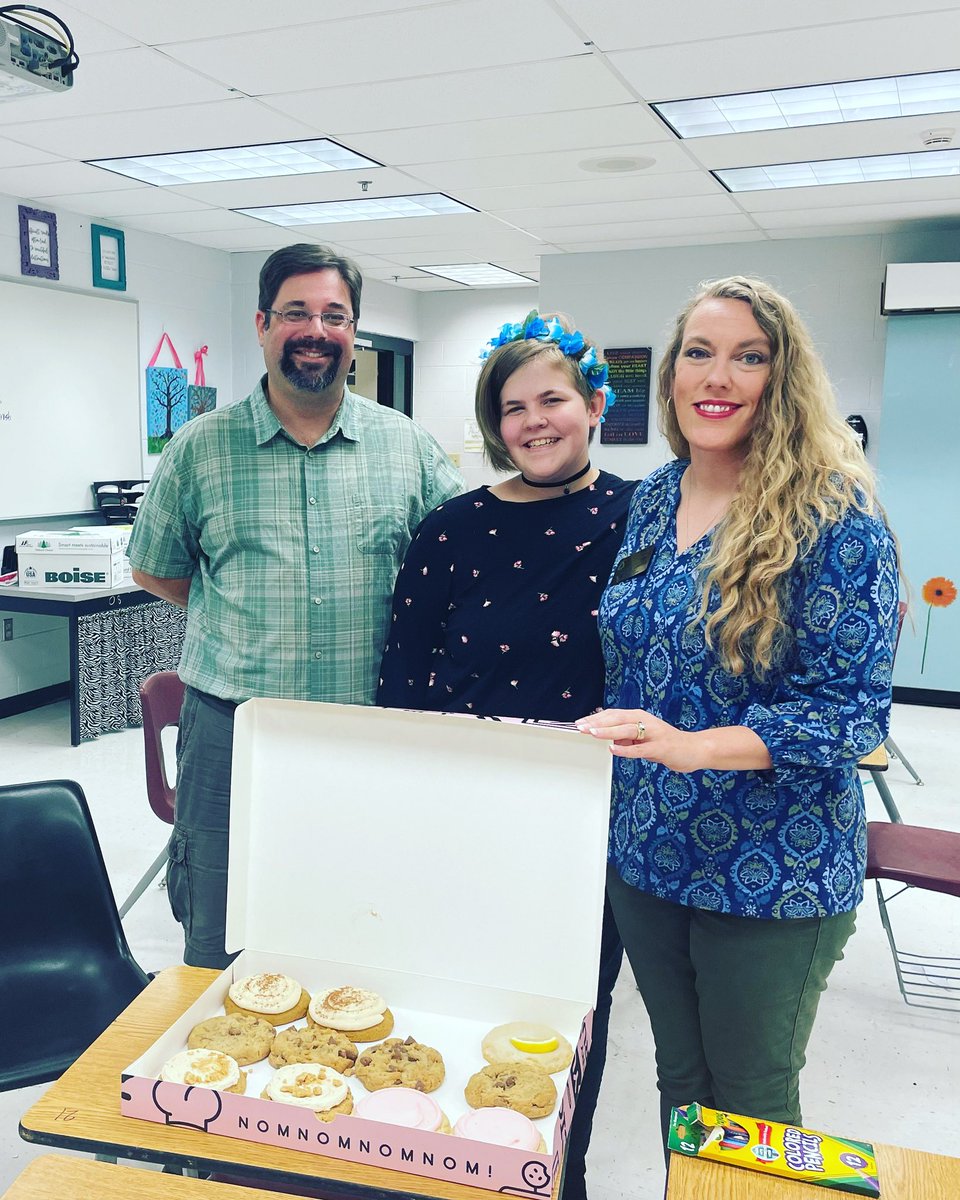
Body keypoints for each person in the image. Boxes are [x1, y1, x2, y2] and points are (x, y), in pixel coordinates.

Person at [578, 276, 899, 1151]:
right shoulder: (654, 496)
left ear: (781, 379)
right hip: (647, 852)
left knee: (751, 1103)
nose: (719, 378)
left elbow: (854, 714)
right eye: (700, 353)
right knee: (681, 1083)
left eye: (749, 357)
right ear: (671, 375)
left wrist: (695, 746)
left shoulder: (837, 516)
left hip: (774, 867)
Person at [128, 243, 463, 969]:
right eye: (296, 312)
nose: (316, 329)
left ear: (354, 332)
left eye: (334, 315)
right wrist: (243, 617)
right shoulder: (199, 449)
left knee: (364, 919)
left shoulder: (408, 448)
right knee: (219, 931)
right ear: (261, 324)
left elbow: (452, 579)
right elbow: (157, 570)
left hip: (370, 727)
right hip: (232, 727)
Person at [378, 310, 636, 1200]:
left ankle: (557, 1177)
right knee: (452, 1001)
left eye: (552, 399)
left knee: (565, 1021)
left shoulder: (649, 517)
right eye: (513, 407)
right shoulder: (451, 528)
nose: (534, 422)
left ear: (594, 402)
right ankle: (442, 1167)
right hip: (461, 806)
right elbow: (402, 680)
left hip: (588, 816)